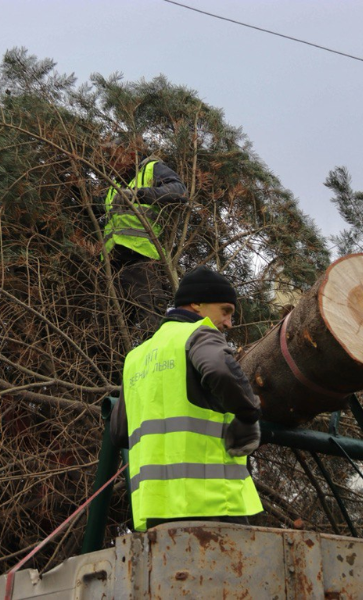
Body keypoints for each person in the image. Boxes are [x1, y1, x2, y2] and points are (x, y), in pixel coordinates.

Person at [110, 266, 264, 531]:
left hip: (156, 512)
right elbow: (219, 369)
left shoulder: (136, 357)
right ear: (196, 304)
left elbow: (119, 433)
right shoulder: (199, 334)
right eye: (225, 311)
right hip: (212, 505)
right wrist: (249, 415)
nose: (228, 323)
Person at [102, 149, 187, 331]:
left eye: (114, 158)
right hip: (113, 264)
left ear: (131, 154)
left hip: (142, 259)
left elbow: (179, 191)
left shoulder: (151, 169)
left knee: (150, 320)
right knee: (111, 326)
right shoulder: (113, 185)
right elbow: (98, 210)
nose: (111, 164)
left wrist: (138, 194)